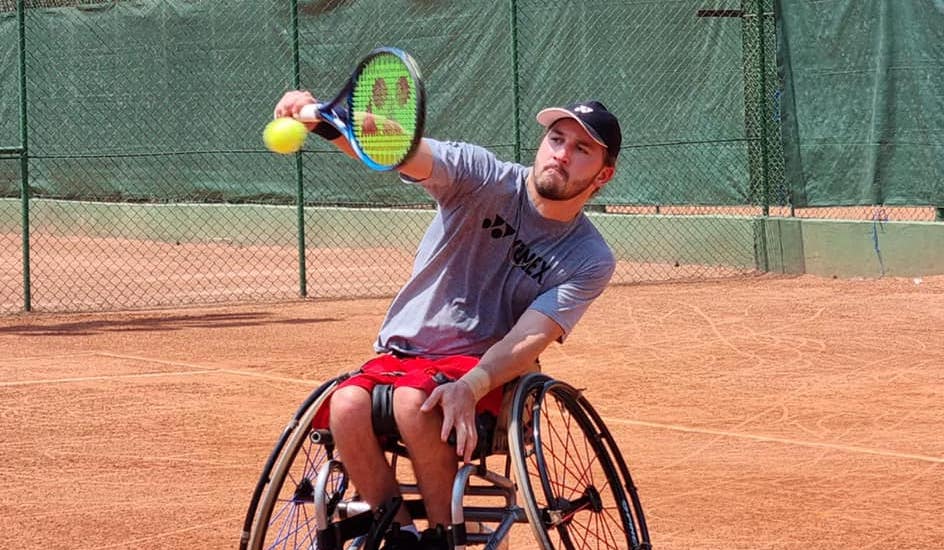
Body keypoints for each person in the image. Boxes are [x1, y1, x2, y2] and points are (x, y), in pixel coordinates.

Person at [273, 91, 622, 550]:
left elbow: (530, 336)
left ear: (603, 174)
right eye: (556, 139)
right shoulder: (482, 177)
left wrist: (471, 385)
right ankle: (396, 531)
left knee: (412, 403)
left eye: (582, 150)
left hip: (485, 371)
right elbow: (405, 149)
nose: (562, 154)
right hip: (403, 354)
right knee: (346, 406)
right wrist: (328, 120)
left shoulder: (589, 258)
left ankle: (444, 536)